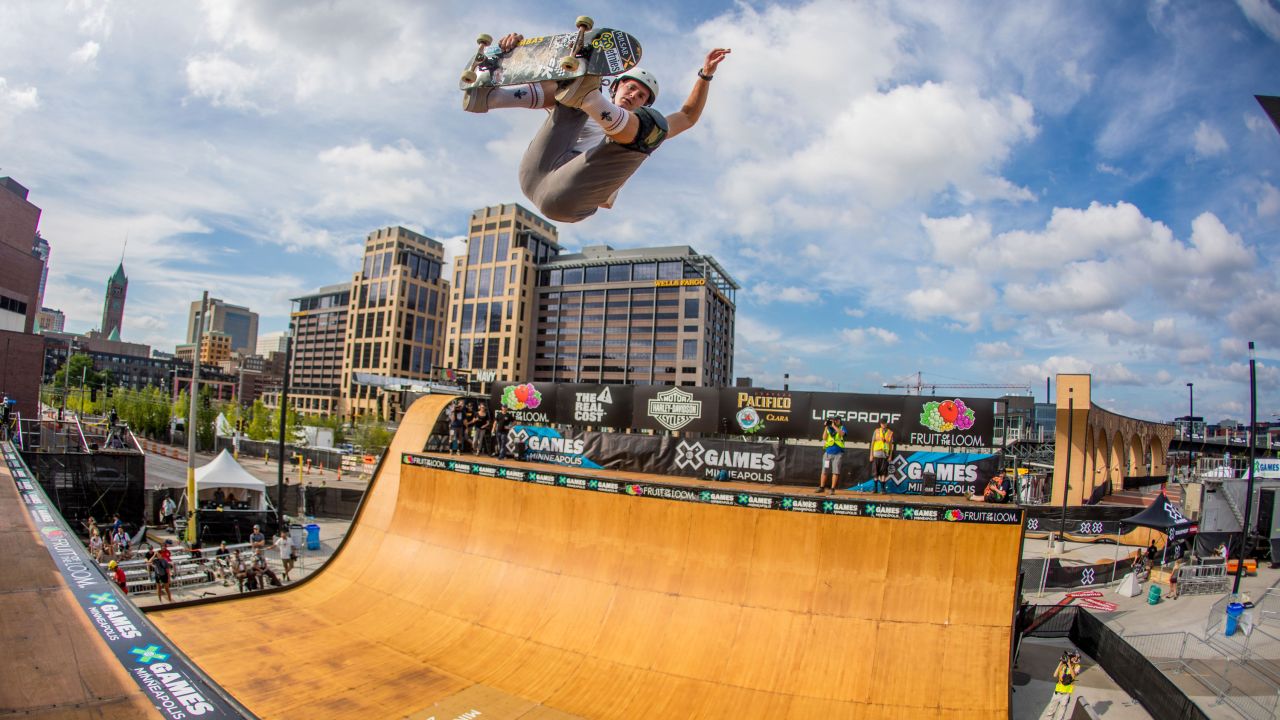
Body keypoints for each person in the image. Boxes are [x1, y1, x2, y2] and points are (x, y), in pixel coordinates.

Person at [463, 33, 731, 223]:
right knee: (570, 90)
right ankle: (490, 98)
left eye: (640, 97)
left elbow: (687, 116)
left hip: (567, 199)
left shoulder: (640, 120)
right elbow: (542, 72)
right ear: (617, 87)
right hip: (534, 171)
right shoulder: (577, 102)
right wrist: (512, 52)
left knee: (653, 128)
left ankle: (592, 98)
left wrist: (705, 75)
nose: (633, 96)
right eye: (631, 88)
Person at [816, 417, 845, 495]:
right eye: (833, 421)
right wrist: (826, 427)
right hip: (828, 453)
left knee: (835, 471)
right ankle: (822, 487)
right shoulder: (828, 428)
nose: (835, 422)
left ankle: (832, 489)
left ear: (839, 421)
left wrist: (834, 426)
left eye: (836, 421)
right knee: (824, 470)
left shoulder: (842, 427)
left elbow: (842, 434)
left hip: (838, 453)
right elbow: (824, 438)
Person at [869, 420, 894, 493]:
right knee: (875, 472)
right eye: (882, 423)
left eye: (884, 423)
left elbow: (891, 445)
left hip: (885, 454)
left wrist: (890, 456)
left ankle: (883, 489)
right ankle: (875, 488)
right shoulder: (876, 431)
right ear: (880, 424)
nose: (883, 424)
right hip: (876, 453)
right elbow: (872, 443)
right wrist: (871, 455)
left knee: (883, 472)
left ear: (887, 423)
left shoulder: (890, 432)